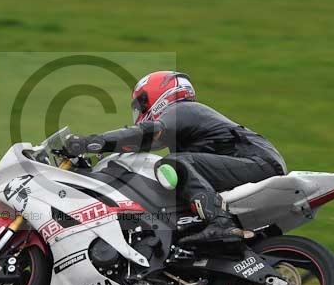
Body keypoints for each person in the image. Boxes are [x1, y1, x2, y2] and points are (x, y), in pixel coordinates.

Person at [64, 71, 286, 245]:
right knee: (171, 180)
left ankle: (220, 223)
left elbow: (146, 134)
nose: (140, 113)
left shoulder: (184, 110)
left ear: (159, 95)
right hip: (250, 163)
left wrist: (91, 142)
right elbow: (142, 143)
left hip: (256, 161)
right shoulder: (182, 127)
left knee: (174, 164)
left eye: (141, 104)